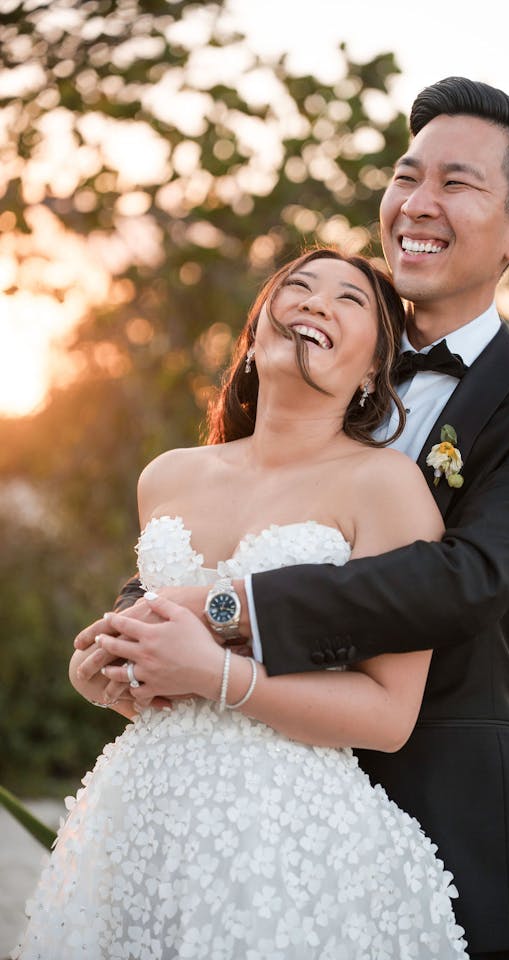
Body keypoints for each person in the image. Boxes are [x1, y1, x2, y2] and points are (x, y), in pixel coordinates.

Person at [73, 77, 509, 960]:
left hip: (429, 798)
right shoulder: (317, 344)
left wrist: (226, 614)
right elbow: (225, 509)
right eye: (407, 175)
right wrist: (131, 638)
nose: (418, 202)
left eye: (457, 183)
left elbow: (470, 580)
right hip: (223, 809)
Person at [16, 249, 469, 959]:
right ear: (256, 336)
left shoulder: (388, 487)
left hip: (283, 838)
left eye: (349, 300)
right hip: (140, 816)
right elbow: (155, 647)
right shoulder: (167, 476)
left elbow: (389, 717)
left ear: (374, 372)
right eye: (298, 288)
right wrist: (105, 674)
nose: (317, 303)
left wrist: (218, 676)